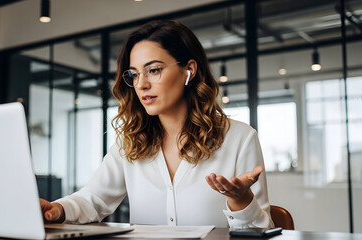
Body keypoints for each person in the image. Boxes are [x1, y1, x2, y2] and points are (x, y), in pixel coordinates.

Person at [40, 20, 274, 228]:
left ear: (189, 71)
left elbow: (263, 230)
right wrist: (56, 210)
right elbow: (95, 199)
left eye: (153, 70)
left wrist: (241, 200)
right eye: (134, 74)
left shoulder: (240, 138)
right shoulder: (130, 140)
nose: (141, 84)